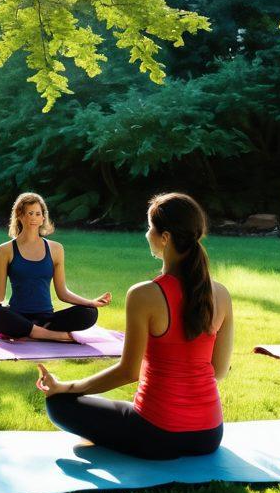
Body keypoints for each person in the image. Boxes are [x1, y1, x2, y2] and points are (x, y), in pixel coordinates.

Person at [36, 192, 233, 460]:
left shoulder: (144, 295)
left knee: (58, 404)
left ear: (165, 238)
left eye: (150, 228)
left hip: (157, 435)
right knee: (120, 410)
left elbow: (128, 372)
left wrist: (66, 387)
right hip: (208, 435)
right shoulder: (220, 294)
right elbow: (219, 371)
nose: (147, 234)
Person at [0, 191, 111, 342]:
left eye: (38, 214)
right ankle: (50, 335)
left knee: (89, 313)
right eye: (29, 213)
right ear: (19, 216)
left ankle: (34, 331)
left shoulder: (56, 249)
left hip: (47, 319)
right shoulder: (4, 250)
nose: (33, 217)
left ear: (43, 218)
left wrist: (91, 302)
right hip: (17, 315)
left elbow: (62, 293)